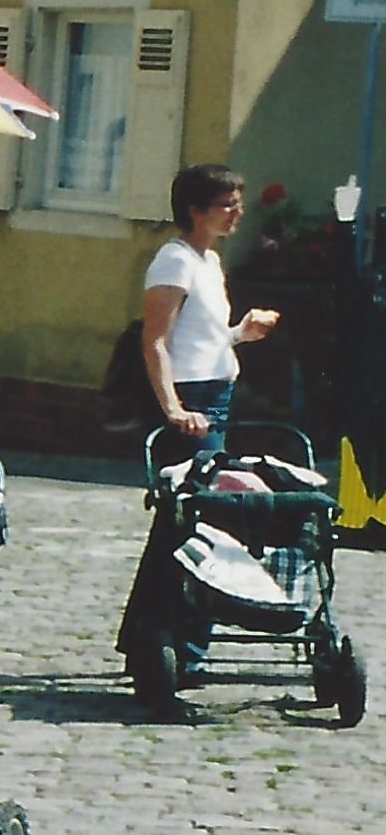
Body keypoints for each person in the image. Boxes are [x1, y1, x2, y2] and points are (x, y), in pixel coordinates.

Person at [136, 163, 278, 685]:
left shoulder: (208, 260)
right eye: (226, 203)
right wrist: (173, 409)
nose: (237, 210)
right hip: (193, 403)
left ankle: (153, 640)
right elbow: (155, 341)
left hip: (215, 394)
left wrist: (240, 333)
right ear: (195, 210)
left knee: (186, 521)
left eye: (238, 200)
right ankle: (183, 647)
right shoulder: (173, 262)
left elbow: (203, 338)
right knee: (202, 520)